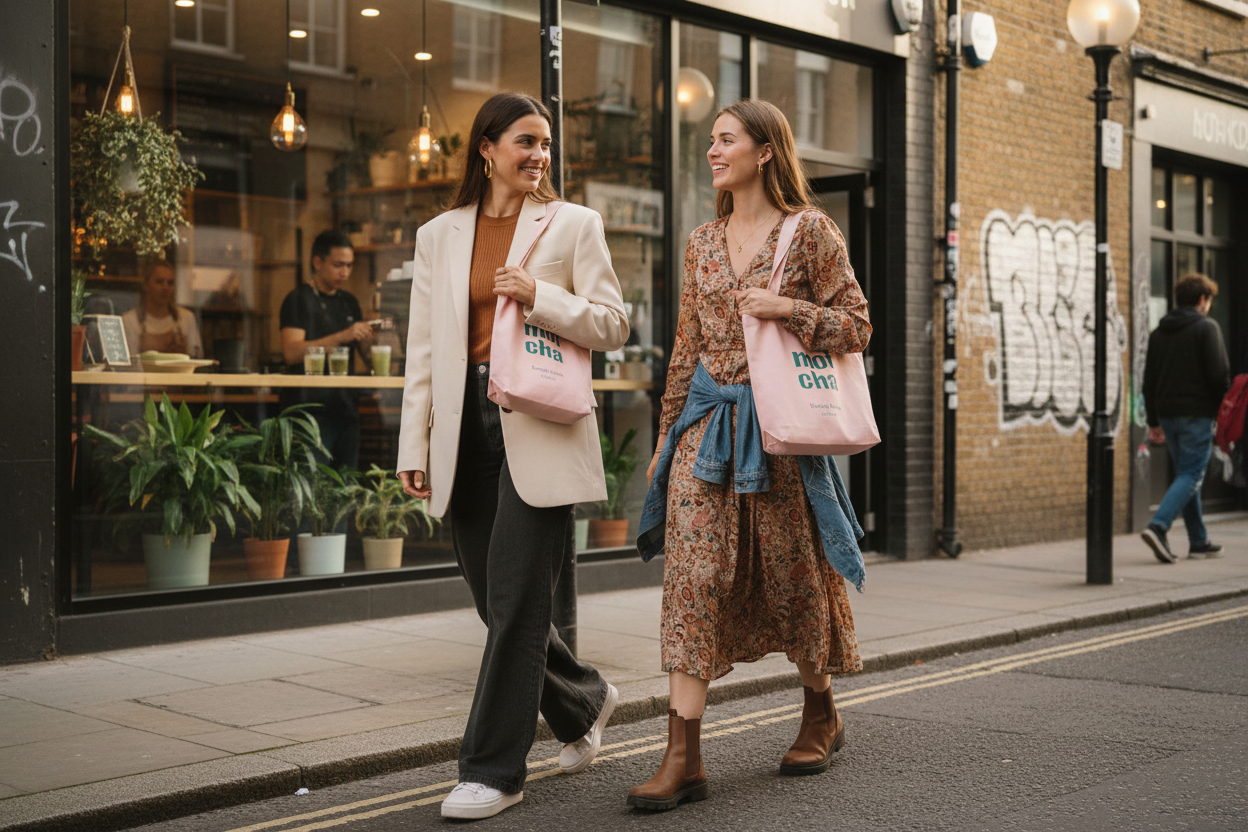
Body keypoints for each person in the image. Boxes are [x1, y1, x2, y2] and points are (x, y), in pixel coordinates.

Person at [630, 99, 872, 811]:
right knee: (694, 582)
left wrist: (786, 310)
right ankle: (683, 756)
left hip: (780, 438)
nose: (712, 150)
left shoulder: (811, 231)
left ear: (765, 151)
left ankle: (821, 713)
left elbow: (857, 326)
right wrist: (667, 436)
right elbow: (687, 346)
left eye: (725, 139)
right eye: (710, 140)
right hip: (706, 433)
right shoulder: (702, 241)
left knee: (792, 579)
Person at [395, 92, 629, 821]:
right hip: (462, 425)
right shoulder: (438, 235)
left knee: (520, 600)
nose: (540, 155)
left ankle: (493, 770)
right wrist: (414, 442)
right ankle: (584, 699)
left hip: (538, 420)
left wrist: (541, 296)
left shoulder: (574, 224)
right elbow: (423, 350)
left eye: (547, 144)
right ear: (487, 148)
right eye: (526, 141)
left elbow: (614, 323)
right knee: (494, 599)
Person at [1141, 272, 1231, 563]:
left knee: (1187, 474)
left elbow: (1149, 380)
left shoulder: (1159, 333)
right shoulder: (1207, 328)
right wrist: (1223, 411)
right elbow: (1219, 375)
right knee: (1192, 474)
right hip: (1196, 415)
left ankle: (1198, 541)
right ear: (1202, 300)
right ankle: (1159, 526)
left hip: (1167, 415)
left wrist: (1153, 421)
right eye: (1209, 301)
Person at [279, 230, 375, 469]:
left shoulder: (349, 302)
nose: (345, 272)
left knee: (347, 485)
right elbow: (291, 353)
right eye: (338, 265)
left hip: (346, 410)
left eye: (349, 265)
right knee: (314, 484)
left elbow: (370, 359)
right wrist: (343, 335)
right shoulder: (298, 299)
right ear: (318, 262)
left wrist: (370, 335)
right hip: (310, 414)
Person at [121, 259, 203, 358]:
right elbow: (129, 361)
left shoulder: (186, 318)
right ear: (146, 286)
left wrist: (184, 352)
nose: (165, 288)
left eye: (170, 283)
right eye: (159, 282)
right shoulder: (130, 320)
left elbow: (197, 357)